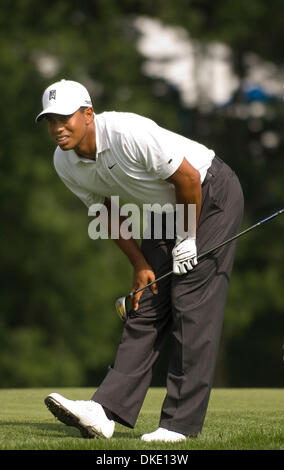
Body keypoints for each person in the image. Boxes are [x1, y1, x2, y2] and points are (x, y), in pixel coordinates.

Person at [36, 79, 244, 442]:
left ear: (88, 114)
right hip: (166, 207)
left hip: (209, 192)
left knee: (190, 303)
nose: (57, 129)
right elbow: (105, 212)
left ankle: (179, 424)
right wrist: (139, 264)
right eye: (50, 121)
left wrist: (187, 239)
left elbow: (188, 178)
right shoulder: (64, 162)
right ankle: (104, 411)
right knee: (144, 303)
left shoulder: (126, 131)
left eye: (64, 119)